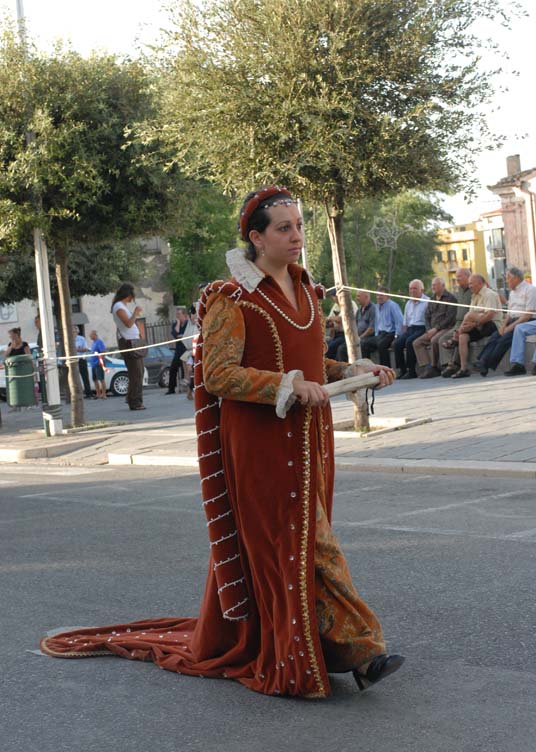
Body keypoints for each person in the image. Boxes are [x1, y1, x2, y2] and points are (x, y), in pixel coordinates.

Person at [40, 185, 403, 699]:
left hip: (310, 440)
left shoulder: (307, 290)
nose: (296, 236)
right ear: (255, 237)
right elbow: (218, 375)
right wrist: (284, 385)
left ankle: (336, 650)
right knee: (310, 547)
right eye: (284, 228)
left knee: (301, 548)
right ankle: (363, 651)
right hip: (261, 446)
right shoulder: (231, 299)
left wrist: (357, 370)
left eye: (299, 225)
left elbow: (312, 363)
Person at [473, 267, 536, 376]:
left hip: (526, 320)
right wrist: (503, 325)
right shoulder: (512, 293)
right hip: (513, 320)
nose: (506, 281)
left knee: (505, 339)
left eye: (508, 278)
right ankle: (482, 361)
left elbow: (527, 315)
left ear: (516, 278)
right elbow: (509, 312)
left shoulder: (530, 290)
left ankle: (486, 364)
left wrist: (509, 328)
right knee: (495, 336)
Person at [448, 274, 501, 379]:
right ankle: (464, 369)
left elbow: (490, 315)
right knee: (463, 336)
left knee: (469, 315)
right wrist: (470, 326)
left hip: (492, 324)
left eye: (471, 283)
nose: (470, 286)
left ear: (480, 283)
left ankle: (455, 337)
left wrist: (475, 324)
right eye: (469, 284)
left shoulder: (489, 294)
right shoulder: (474, 296)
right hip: (479, 324)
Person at [412, 277, 457, 378]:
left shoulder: (450, 298)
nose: (433, 287)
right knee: (416, 343)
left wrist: (436, 329)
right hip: (432, 329)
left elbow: (450, 318)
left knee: (434, 340)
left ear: (443, 286)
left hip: (445, 328)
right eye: (432, 285)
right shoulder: (432, 299)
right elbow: (427, 316)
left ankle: (434, 367)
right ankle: (427, 367)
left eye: (435, 285)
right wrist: (429, 329)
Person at [111, 283, 145, 410]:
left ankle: (131, 397)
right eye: (132, 296)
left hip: (134, 342)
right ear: (128, 295)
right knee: (136, 373)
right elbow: (128, 324)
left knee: (138, 372)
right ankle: (135, 401)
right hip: (129, 344)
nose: (132, 299)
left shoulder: (122, 306)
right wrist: (135, 313)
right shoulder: (118, 307)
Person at [439, 268, 472, 375]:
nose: (457, 279)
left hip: (467, 322)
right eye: (456, 277)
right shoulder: (459, 290)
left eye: (460, 277)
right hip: (457, 322)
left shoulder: (473, 289)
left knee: (458, 336)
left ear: (468, 277)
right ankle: (448, 364)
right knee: (442, 338)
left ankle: (454, 364)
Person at [394, 279, 429, 379]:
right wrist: (403, 336)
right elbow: (405, 323)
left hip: (422, 328)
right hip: (410, 329)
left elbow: (428, 321)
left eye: (415, 288)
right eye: (410, 289)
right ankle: (402, 369)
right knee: (398, 343)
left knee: (410, 342)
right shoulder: (408, 303)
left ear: (421, 290)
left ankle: (412, 371)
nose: (412, 291)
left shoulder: (427, 302)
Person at [360, 287, 403, 367]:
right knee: (364, 344)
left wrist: (397, 336)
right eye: (377, 295)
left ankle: (386, 369)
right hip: (380, 334)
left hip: (391, 333)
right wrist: (376, 334)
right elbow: (377, 323)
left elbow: (399, 322)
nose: (379, 297)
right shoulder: (376, 307)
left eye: (381, 295)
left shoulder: (393, 306)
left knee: (381, 345)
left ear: (387, 296)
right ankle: (367, 368)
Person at [165, 307, 189, 395]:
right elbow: (176, 335)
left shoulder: (188, 324)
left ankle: (185, 387)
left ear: (184, 315)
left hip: (186, 349)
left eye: (179, 314)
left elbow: (186, 335)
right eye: (177, 314)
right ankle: (171, 389)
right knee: (173, 368)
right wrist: (178, 324)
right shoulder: (175, 324)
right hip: (178, 350)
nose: (177, 316)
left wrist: (181, 335)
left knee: (184, 368)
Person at [73, 326, 92, 399]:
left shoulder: (81, 339)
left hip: (81, 359)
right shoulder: (69, 339)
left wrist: (77, 350)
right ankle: (77, 393)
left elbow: (85, 349)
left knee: (85, 376)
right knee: (74, 378)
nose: (73, 333)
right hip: (73, 360)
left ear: (77, 332)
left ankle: (88, 393)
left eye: (74, 331)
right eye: (72, 332)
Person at [88, 330, 107, 399]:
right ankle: (98, 393)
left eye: (91, 335)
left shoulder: (99, 342)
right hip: (93, 364)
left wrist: (100, 360)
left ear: (94, 335)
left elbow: (103, 351)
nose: (90, 336)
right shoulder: (93, 343)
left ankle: (104, 394)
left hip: (98, 363)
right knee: (95, 379)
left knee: (101, 379)